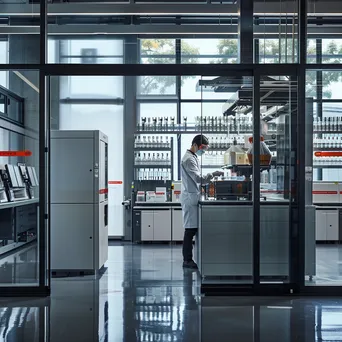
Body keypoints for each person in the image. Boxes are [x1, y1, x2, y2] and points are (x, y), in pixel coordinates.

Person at [181, 134, 223, 269]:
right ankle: (187, 260)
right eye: (202, 147)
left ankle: (189, 259)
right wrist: (213, 174)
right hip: (190, 198)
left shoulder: (192, 157)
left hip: (193, 197)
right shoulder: (189, 159)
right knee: (190, 231)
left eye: (205, 148)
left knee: (191, 230)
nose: (203, 150)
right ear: (194, 145)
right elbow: (199, 179)